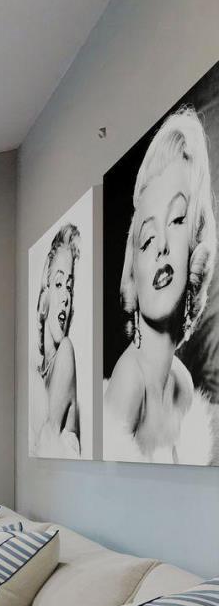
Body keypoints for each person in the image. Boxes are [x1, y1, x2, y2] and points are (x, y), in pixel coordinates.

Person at [105, 107, 217, 464]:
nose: (162, 246)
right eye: (148, 238)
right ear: (133, 270)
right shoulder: (128, 381)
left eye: (178, 220)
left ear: (195, 247)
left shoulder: (183, 385)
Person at [31, 223, 82, 457]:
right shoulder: (36, 375)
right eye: (59, 284)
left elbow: (45, 443)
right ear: (45, 297)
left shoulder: (66, 352)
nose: (65, 297)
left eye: (69, 287)